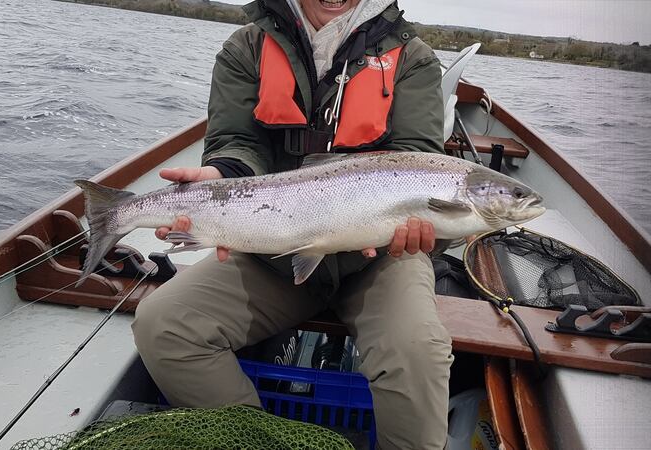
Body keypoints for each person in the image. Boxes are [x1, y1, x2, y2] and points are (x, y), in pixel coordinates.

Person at [131, 0, 452, 448]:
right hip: (274, 251)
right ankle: (255, 441)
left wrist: (413, 224)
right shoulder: (246, 47)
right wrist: (222, 175)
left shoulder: (413, 58)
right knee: (162, 324)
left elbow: (417, 155)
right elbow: (237, 142)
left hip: (380, 257)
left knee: (417, 352)